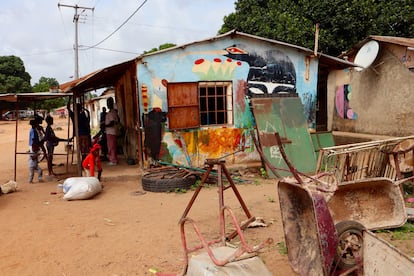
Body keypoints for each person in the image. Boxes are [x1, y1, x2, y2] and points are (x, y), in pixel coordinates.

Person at [105, 97, 119, 165]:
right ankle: (114, 159)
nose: (107, 105)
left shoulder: (111, 113)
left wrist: (105, 126)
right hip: (113, 132)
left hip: (110, 132)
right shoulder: (114, 112)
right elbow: (117, 121)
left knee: (111, 147)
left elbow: (112, 122)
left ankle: (113, 160)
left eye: (108, 103)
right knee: (113, 146)